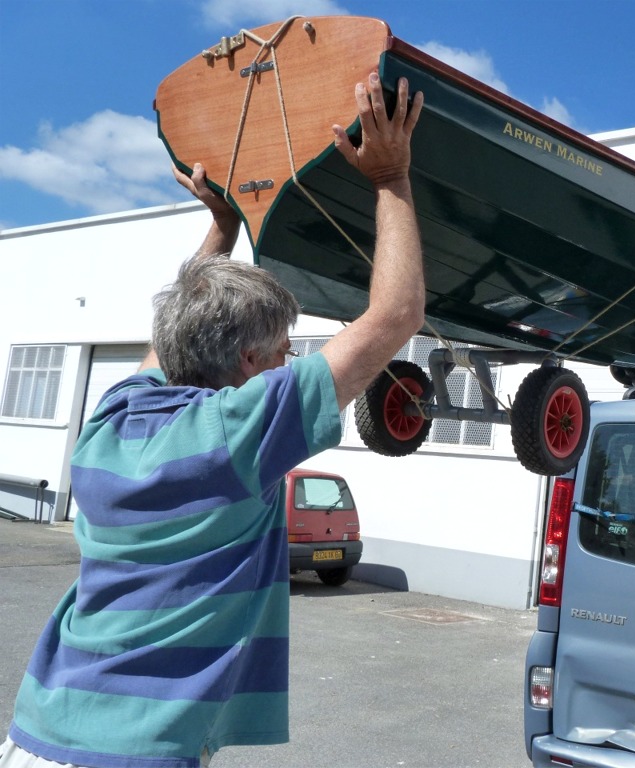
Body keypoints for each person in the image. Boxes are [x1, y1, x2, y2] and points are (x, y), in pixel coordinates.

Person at [2, 73, 424, 768]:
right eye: (284, 352)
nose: (291, 363)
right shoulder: (237, 432)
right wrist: (391, 177)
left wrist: (223, 226)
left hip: (36, 733)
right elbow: (397, 315)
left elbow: (173, 329)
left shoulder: (112, 417)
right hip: (134, 753)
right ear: (250, 361)